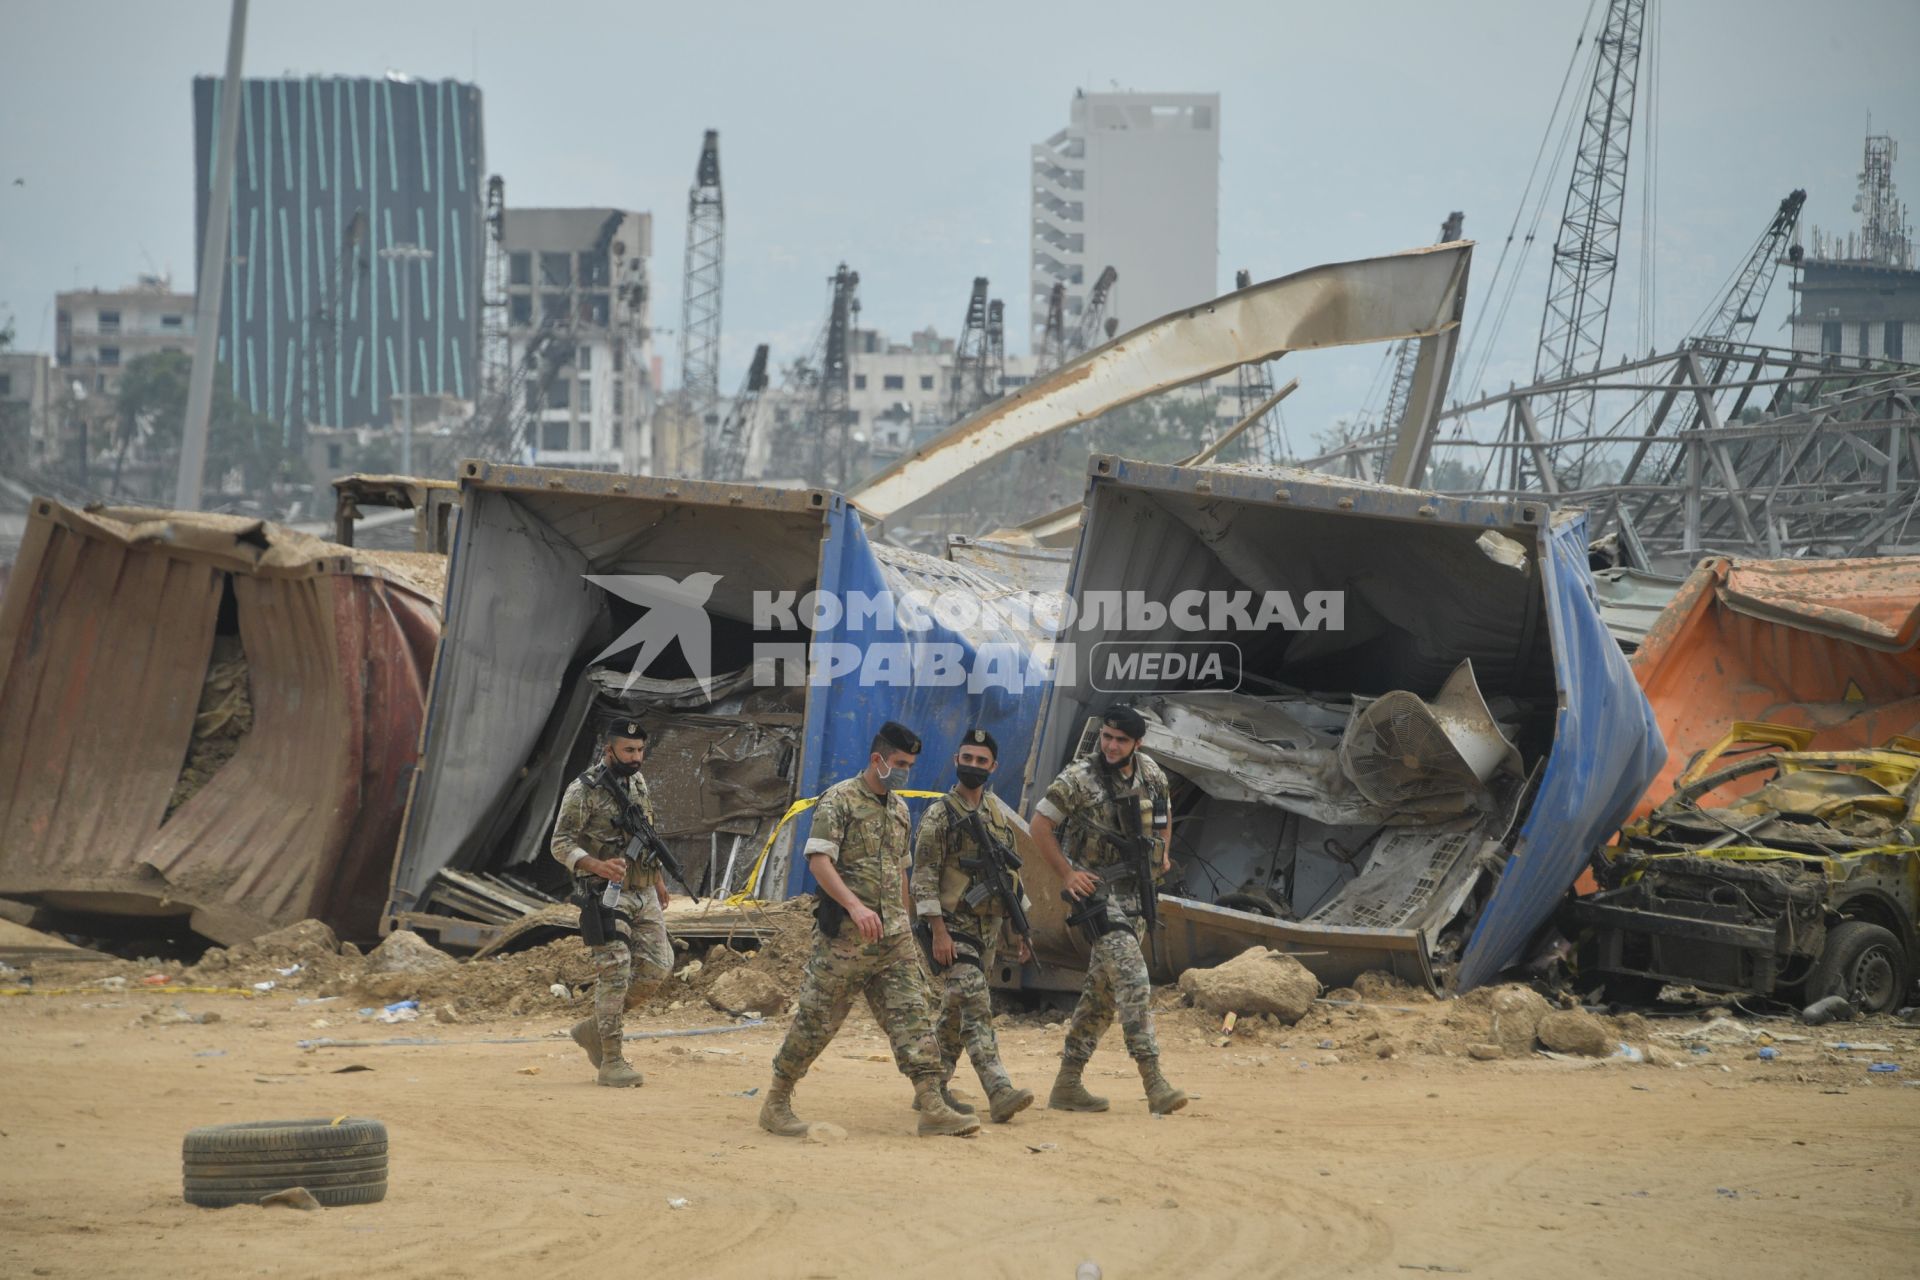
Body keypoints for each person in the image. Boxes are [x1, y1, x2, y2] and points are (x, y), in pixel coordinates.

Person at [758, 721, 980, 1139]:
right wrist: (855, 906)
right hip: (844, 941)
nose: (904, 772)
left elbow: (901, 872)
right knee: (816, 1022)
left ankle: (932, 1102)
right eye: (899, 763)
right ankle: (776, 1100)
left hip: (892, 941)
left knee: (912, 1017)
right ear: (877, 760)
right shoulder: (838, 800)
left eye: (910, 765)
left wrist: (908, 927)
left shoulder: (898, 810)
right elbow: (819, 861)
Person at [1029, 704, 1189, 1115]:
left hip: (1138, 893)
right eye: (1107, 737)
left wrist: (1164, 852)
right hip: (1098, 896)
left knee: (1101, 994)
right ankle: (1153, 1080)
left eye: (1120, 740)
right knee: (1134, 980)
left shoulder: (1151, 773)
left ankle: (1067, 1082)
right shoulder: (1079, 778)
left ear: (1137, 743)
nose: (1111, 746)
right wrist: (1067, 874)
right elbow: (1040, 826)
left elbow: (1165, 816)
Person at [910, 728, 1037, 1124]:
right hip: (953, 928)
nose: (973, 766)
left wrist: (1020, 933)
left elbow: (1010, 881)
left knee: (953, 1016)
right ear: (956, 760)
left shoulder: (997, 814)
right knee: (977, 1008)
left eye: (981, 761)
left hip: (987, 932)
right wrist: (939, 933)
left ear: (993, 766)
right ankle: (999, 1089)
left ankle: (931, 1087)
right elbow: (923, 878)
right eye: (967, 758)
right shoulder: (940, 814)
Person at [550, 717, 675, 1088]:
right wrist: (596, 865)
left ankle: (595, 1028)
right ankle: (612, 1060)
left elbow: (643, 832)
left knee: (658, 967)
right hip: (604, 895)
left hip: (643, 891)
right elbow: (560, 843)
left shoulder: (636, 780)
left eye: (640, 750)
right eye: (629, 750)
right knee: (616, 970)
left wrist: (657, 879)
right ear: (609, 750)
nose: (637, 757)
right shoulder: (582, 790)